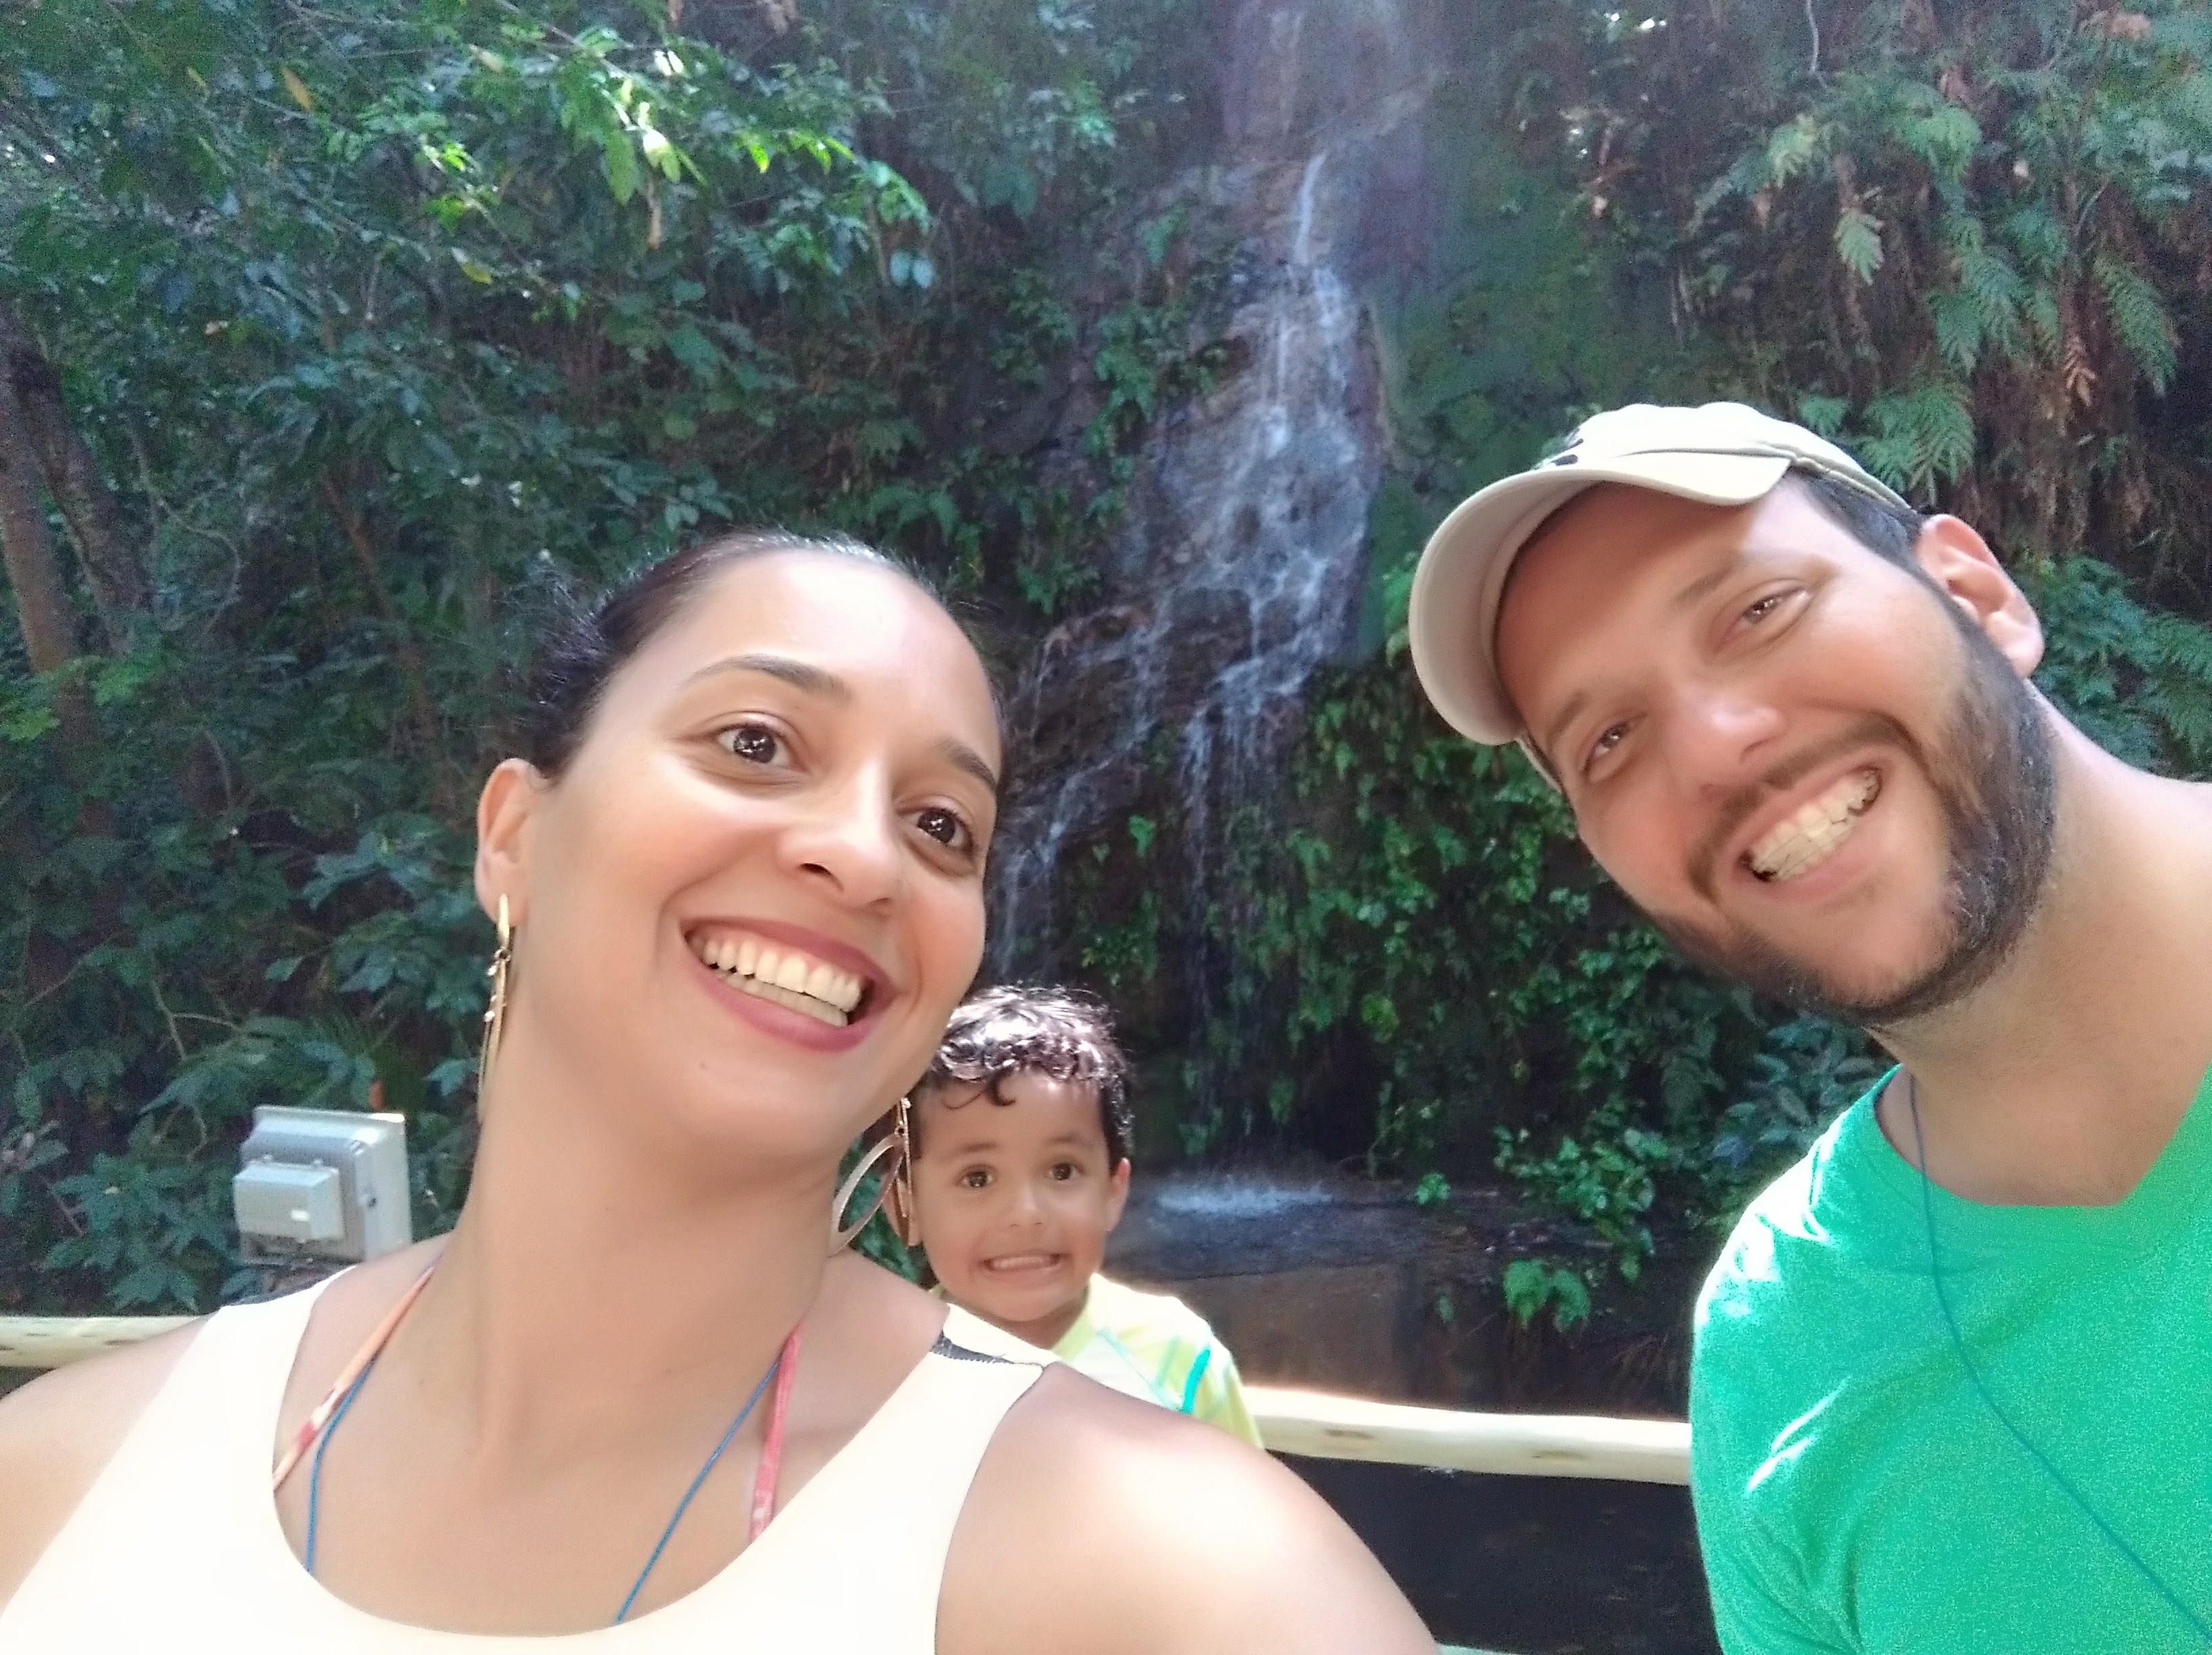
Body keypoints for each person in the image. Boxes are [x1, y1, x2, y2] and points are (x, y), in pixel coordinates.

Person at [0, 530, 1432, 1652]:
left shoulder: (1168, 1571)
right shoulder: (63, 1481)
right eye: (756, 743)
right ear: (514, 833)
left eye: (943, 825)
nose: (862, 856)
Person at [1405, 403, 2212, 1650]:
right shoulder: (1780, 1351)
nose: (1715, 750)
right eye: (1608, 739)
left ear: (1977, 593)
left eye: (1757, 610)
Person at [903, 984, 1264, 1446]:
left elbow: (1244, 1492)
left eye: (1062, 1171)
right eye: (978, 1178)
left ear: (1113, 1191)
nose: (1026, 1215)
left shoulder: (1179, 1358)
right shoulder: (883, 1370)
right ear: (906, 1208)